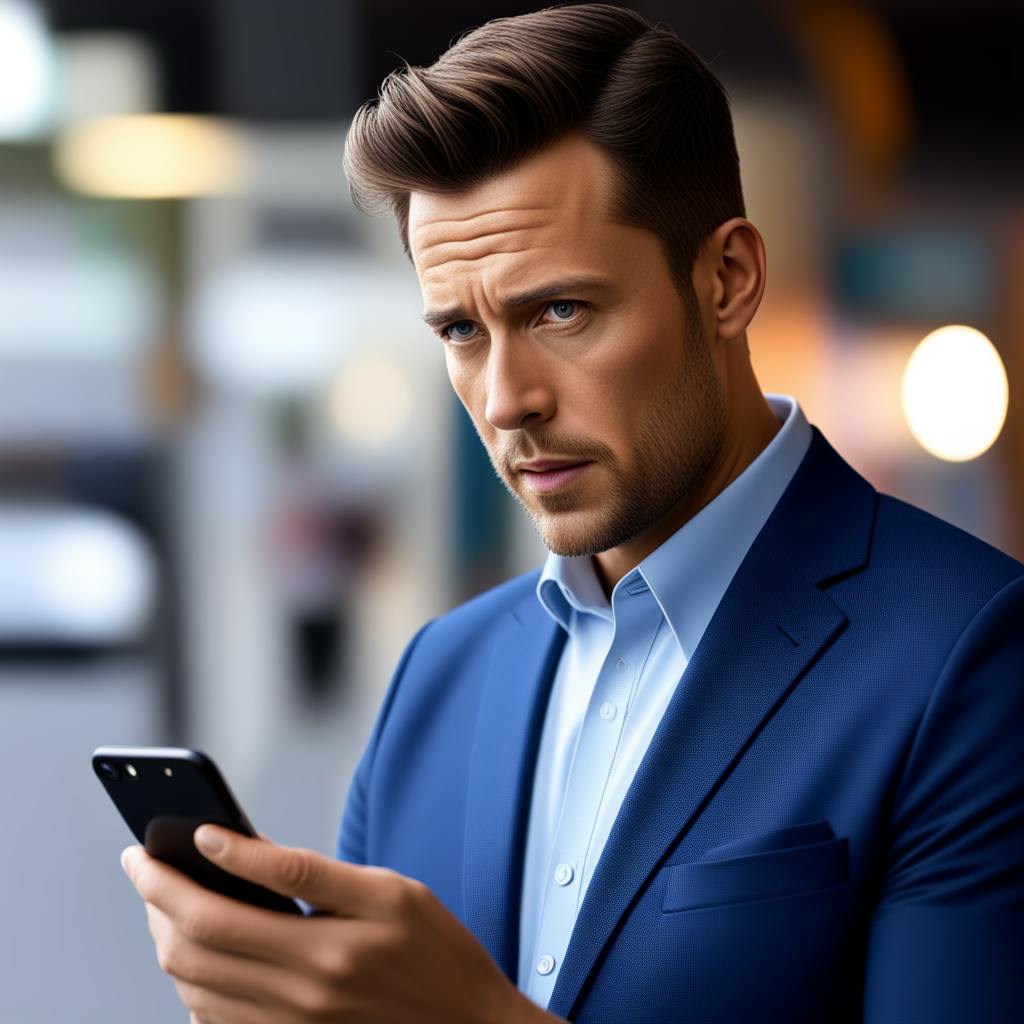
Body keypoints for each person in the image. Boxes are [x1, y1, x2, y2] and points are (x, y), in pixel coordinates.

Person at [121, 5, 1024, 1022]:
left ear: (727, 280)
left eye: (560, 311)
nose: (506, 400)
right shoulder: (438, 677)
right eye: (460, 331)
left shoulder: (972, 653)